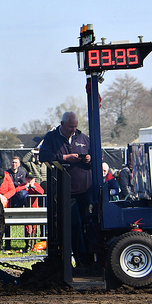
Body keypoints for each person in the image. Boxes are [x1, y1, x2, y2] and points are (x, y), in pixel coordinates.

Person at [39, 111, 92, 268]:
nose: (73, 130)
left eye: (75, 127)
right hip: (66, 192)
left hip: (86, 190)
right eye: (70, 127)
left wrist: (88, 159)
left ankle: (91, 261)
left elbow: (96, 157)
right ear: (62, 124)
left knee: (89, 225)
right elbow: (43, 156)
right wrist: (64, 159)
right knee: (74, 227)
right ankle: (81, 262)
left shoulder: (83, 138)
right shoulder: (51, 137)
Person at [0, 168, 15, 251]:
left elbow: (12, 190)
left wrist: (4, 197)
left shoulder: (7, 177)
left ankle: (8, 245)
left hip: (6, 204)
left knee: (7, 226)